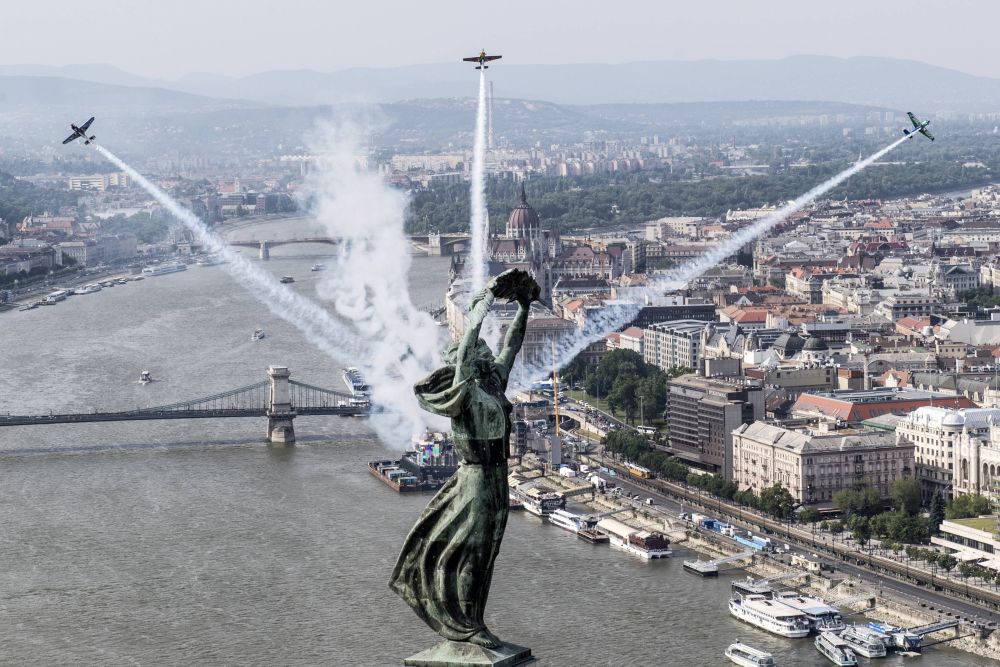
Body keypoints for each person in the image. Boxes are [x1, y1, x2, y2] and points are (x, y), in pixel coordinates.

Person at [389, 269, 539, 649]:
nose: (489, 353)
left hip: (498, 476)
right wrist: (482, 304)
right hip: (475, 478)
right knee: (472, 549)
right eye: (480, 353)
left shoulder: (491, 385)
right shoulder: (463, 394)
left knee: (488, 552)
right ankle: (466, 624)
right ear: (468, 361)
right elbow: (470, 340)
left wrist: (524, 306)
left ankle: (476, 619)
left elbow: (513, 345)